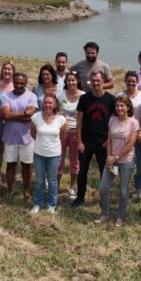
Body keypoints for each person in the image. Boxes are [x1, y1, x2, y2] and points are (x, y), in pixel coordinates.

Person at [70, 70, 116, 209]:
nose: (96, 83)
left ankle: (104, 199)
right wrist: (79, 141)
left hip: (103, 143)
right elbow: (79, 120)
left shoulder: (111, 99)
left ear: (103, 81)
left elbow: (114, 123)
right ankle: (80, 197)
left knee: (104, 173)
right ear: (90, 81)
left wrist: (108, 141)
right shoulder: (84, 98)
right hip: (86, 142)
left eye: (98, 80)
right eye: (93, 80)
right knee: (82, 171)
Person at [96, 95, 139, 227]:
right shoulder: (112, 119)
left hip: (126, 161)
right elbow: (109, 140)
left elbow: (130, 145)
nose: (119, 108)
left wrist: (115, 157)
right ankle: (105, 213)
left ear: (128, 107)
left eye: (122, 106)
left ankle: (120, 216)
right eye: (117, 106)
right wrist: (109, 157)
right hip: (112, 160)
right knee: (103, 188)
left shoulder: (133, 123)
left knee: (123, 191)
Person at [1, 72, 38, 201]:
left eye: (22, 83)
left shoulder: (32, 96)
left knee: (26, 166)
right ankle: (10, 189)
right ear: (13, 82)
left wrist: (12, 116)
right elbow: (5, 115)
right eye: (17, 83)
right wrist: (23, 114)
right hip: (10, 136)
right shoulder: (6, 96)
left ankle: (26, 190)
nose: (19, 85)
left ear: (26, 83)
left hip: (27, 137)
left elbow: (31, 116)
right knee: (10, 164)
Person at [29, 94, 66, 214]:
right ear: (42, 103)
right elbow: (33, 133)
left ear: (55, 104)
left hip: (54, 155)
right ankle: (38, 203)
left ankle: (51, 204)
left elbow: (63, 136)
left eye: (50, 103)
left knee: (52, 181)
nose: (48, 105)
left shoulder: (61, 119)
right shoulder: (35, 117)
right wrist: (41, 144)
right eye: (46, 102)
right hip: (39, 153)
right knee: (39, 180)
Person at [58, 71, 84, 200]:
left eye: (73, 80)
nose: (71, 83)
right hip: (61, 132)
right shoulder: (61, 94)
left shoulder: (83, 96)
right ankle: (56, 186)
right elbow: (57, 110)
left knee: (75, 161)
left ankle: (72, 187)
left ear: (77, 81)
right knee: (59, 160)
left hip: (76, 132)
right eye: (68, 81)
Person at [0, 61, 16, 183]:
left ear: (13, 71)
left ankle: (13, 173)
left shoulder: (17, 86)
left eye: (9, 69)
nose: (7, 71)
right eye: (5, 69)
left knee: (13, 147)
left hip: (13, 121)